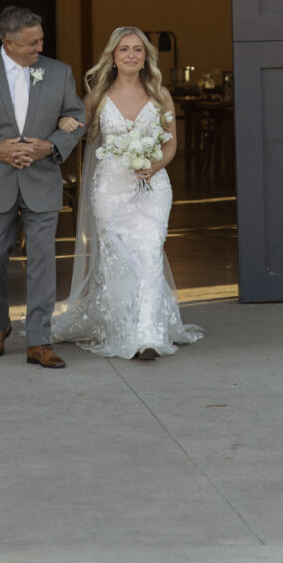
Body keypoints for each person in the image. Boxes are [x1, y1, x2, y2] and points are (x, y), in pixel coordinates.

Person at [52, 26, 203, 360]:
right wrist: (64, 122)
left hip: (153, 186)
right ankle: (121, 326)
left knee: (150, 252)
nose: (132, 55)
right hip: (110, 189)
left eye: (138, 49)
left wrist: (155, 166)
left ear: (147, 56)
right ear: (113, 56)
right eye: (124, 49)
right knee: (118, 258)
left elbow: (171, 143)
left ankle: (147, 336)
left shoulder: (161, 94)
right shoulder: (98, 96)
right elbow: (75, 124)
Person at [0, 6, 85, 369]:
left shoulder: (58, 72)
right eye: (32, 42)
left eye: (41, 39)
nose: (40, 47)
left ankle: (40, 340)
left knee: (42, 260)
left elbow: (77, 117)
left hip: (42, 180)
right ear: (8, 42)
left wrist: (50, 146)